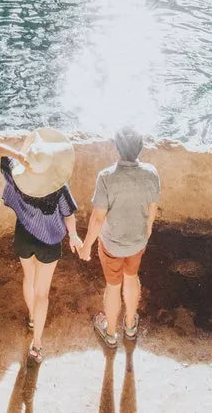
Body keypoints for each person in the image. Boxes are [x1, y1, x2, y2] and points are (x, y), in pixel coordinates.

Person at [0, 129, 81, 364]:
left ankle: (32, 318)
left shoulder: (16, 173)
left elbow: (0, 148)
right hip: (49, 241)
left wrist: (22, 157)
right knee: (42, 292)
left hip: (24, 235)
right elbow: (68, 214)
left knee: (28, 278)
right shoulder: (58, 187)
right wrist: (73, 236)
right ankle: (37, 344)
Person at [80, 127, 161, 349]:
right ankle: (130, 325)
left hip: (112, 245)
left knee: (113, 286)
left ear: (117, 148)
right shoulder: (151, 173)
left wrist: (86, 246)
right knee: (132, 277)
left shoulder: (106, 177)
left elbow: (98, 219)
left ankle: (111, 332)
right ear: (140, 148)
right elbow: (153, 207)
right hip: (137, 242)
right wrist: (148, 228)